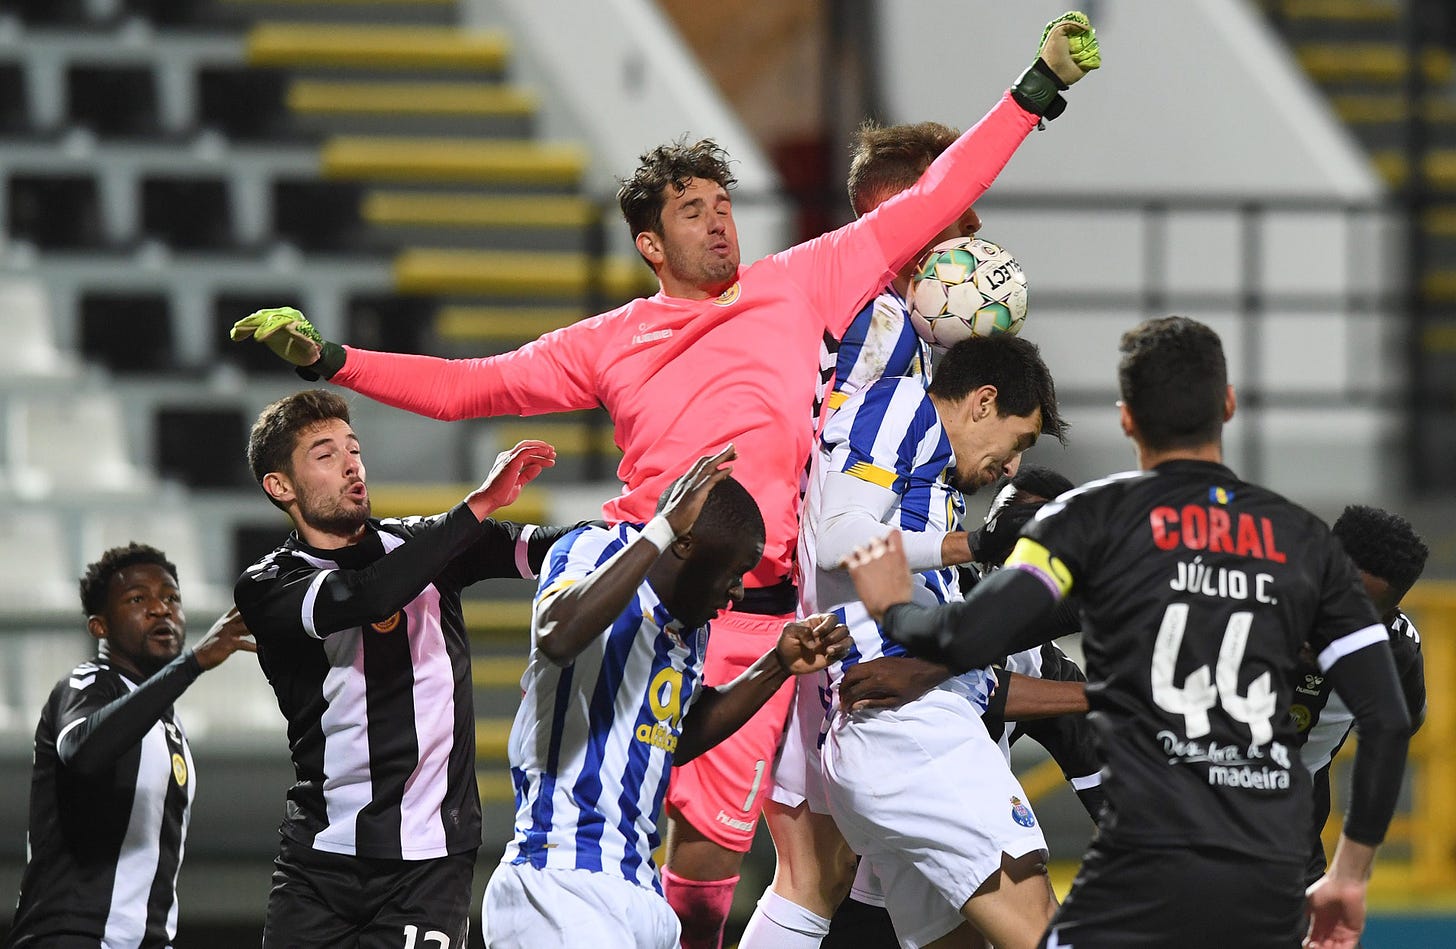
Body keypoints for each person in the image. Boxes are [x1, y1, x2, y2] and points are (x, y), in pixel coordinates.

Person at [229, 15, 1100, 945]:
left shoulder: (797, 282)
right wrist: (333, 357)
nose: (720, 221)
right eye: (694, 211)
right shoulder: (609, 341)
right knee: (614, 838)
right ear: (651, 243)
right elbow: (465, 386)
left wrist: (1036, 90)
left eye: (724, 204)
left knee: (742, 867)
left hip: (766, 607)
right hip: (638, 596)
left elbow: (934, 197)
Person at [844, 317, 1413, 949]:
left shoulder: (1087, 522)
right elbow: (1386, 721)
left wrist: (895, 610)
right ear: (1226, 406)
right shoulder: (1304, 545)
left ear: (1127, 419)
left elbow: (971, 633)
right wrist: (1349, 876)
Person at [232, 389, 573, 947]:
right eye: (325, 455)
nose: (351, 466)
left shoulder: (422, 544)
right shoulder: (269, 583)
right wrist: (475, 508)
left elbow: (549, 548)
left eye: (354, 449)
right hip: (319, 863)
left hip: (429, 864)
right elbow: (364, 596)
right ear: (280, 487)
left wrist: (656, 533)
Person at [480, 447, 850, 949]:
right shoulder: (595, 548)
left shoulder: (688, 627)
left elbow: (671, 736)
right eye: (735, 569)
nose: (738, 590)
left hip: (640, 890)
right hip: (562, 880)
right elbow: (556, 632)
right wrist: (662, 530)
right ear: (685, 545)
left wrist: (776, 666)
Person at [800, 335, 1068, 949]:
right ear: (982, 402)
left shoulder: (929, 484)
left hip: (887, 735)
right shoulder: (903, 407)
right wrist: (974, 545)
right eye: (1018, 441)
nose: (1012, 466)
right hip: (916, 733)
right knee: (1040, 930)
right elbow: (840, 537)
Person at [5, 544, 254, 948]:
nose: (161, 609)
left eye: (171, 597)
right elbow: (83, 754)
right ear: (99, 627)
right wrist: (191, 664)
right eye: (138, 599)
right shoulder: (87, 683)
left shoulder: (168, 724)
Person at [1295, 505, 1427, 885]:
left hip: (1288, 833)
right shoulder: (1251, 600)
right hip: (1189, 806)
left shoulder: (1396, 650)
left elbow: (1407, 722)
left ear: (1386, 615)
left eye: (1357, 614)